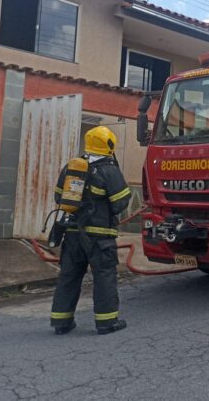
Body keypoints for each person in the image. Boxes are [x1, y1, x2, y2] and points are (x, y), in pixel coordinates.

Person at [50, 126, 131, 335]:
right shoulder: (109, 170)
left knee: (69, 275)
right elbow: (121, 203)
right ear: (109, 145)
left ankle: (61, 323)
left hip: (72, 234)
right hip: (99, 237)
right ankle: (106, 322)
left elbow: (59, 197)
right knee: (104, 276)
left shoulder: (72, 167)